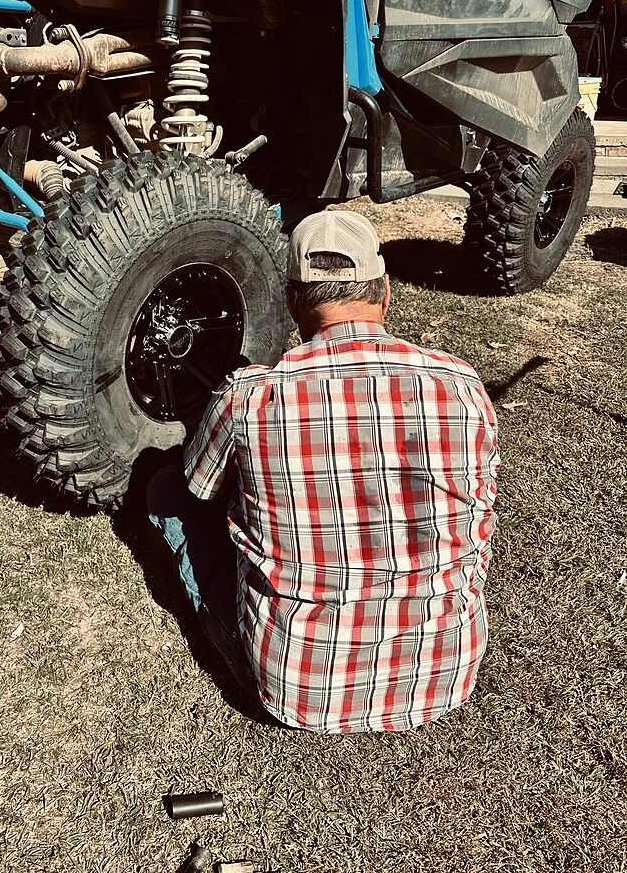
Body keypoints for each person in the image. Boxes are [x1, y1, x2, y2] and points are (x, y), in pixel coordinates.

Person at [147, 209, 500, 732]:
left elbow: (200, 487)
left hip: (296, 690)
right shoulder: (462, 386)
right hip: (446, 672)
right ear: (384, 292)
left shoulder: (249, 395)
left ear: (293, 303)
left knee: (165, 491)